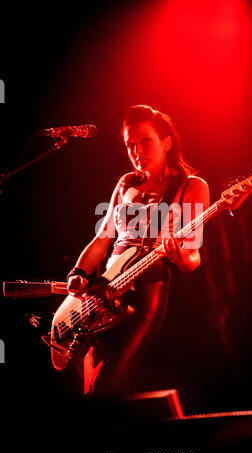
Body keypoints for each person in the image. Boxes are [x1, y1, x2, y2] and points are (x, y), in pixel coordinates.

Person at [66, 105, 210, 397]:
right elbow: (102, 240)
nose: (136, 150)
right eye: (130, 144)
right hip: (103, 293)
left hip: (145, 293)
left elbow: (194, 253)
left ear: (166, 142)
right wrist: (78, 273)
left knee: (111, 384)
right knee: (82, 384)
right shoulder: (126, 183)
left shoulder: (191, 186)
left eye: (145, 140)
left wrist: (182, 258)